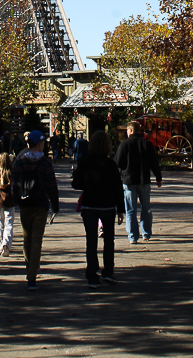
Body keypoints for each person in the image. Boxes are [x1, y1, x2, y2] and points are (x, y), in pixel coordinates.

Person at [72, 130, 124, 288]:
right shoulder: (110, 164)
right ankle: (108, 272)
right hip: (107, 205)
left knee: (91, 241)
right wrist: (120, 209)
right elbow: (118, 188)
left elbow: (76, 184)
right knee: (109, 240)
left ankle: (92, 275)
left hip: (89, 205)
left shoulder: (85, 162)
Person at [12, 129, 59, 290]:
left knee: (27, 238)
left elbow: (14, 182)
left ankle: (30, 268)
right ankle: (32, 275)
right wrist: (55, 204)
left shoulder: (20, 160)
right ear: (39, 143)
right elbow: (51, 185)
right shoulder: (45, 162)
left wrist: (16, 199)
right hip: (40, 203)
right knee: (37, 240)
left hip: (25, 203)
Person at [114, 120, 162, 244]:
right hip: (144, 179)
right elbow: (154, 162)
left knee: (130, 209)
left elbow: (117, 163)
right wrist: (158, 177)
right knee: (146, 208)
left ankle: (133, 236)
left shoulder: (124, 144)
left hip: (129, 181)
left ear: (130, 131)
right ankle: (146, 233)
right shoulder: (146, 143)